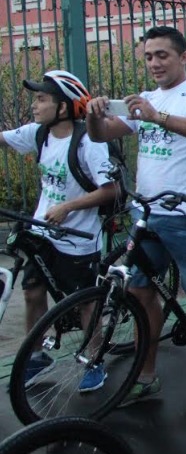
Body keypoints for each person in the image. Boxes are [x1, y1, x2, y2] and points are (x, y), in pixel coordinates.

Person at [86, 25, 186, 417]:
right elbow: (101, 136)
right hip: (147, 216)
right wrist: (93, 116)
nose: (154, 63)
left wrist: (158, 116)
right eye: (149, 56)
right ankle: (146, 375)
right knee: (140, 294)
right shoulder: (145, 99)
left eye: (162, 55)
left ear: (183, 57)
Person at [0, 71, 116, 392]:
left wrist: (68, 207)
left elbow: (111, 190)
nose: (34, 105)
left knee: (85, 303)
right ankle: (37, 357)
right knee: (32, 291)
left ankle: (94, 361)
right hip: (43, 233)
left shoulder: (88, 142)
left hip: (78, 239)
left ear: (63, 107)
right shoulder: (39, 134)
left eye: (41, 99)